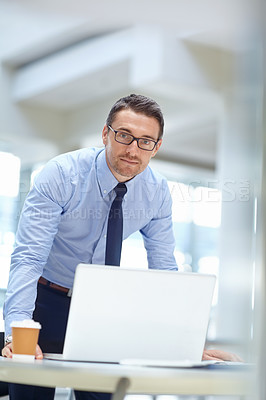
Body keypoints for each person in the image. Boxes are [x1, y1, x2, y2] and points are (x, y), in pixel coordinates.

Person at [1, 94, 241, 400]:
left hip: (101, 309)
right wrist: (16, 332)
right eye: (124, 136)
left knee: (103, 395)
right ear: (106, 134)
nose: (132, 149)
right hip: (45, 300)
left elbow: (165, 270)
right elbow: (28, 257)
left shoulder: (156, 192)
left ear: (157, 147)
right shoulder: (62, 174)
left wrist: (183, 343)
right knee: (30, 394)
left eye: (145, 141)